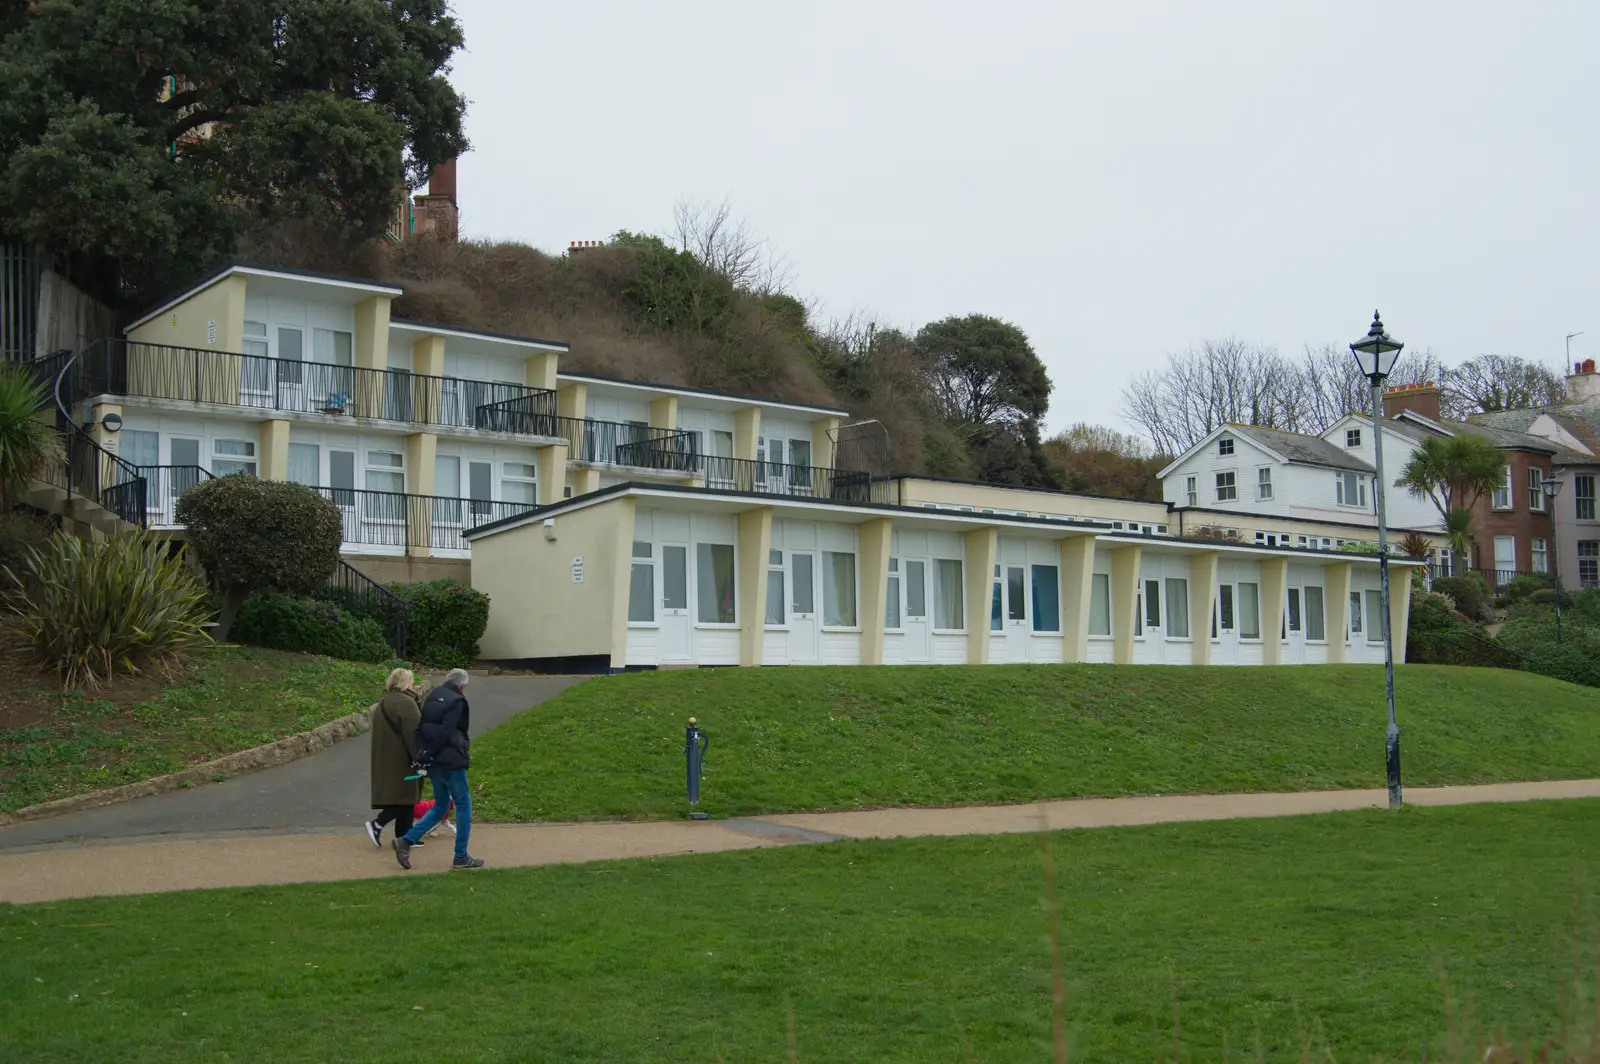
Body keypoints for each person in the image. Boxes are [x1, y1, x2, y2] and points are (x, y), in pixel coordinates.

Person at [393, 667, 482, 870]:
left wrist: (423, 754)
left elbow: (420, 727)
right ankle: (460, 856)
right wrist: (431, 752)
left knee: (441, 805)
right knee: (463, 804)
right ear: (463, 685)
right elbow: (447, 731)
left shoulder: (433, 696)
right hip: (450, 759)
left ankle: (406, 841)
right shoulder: (458, 701)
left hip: (433, 762)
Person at [365, 668, 423, 848]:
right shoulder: (406, 703)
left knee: (405, 795)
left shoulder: (386, 701)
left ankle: (404, 837)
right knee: (406, 796)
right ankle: (378, 823)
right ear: (406, 683)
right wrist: (421, 758)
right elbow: (414, 735)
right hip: (402, 758)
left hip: (388, 756)